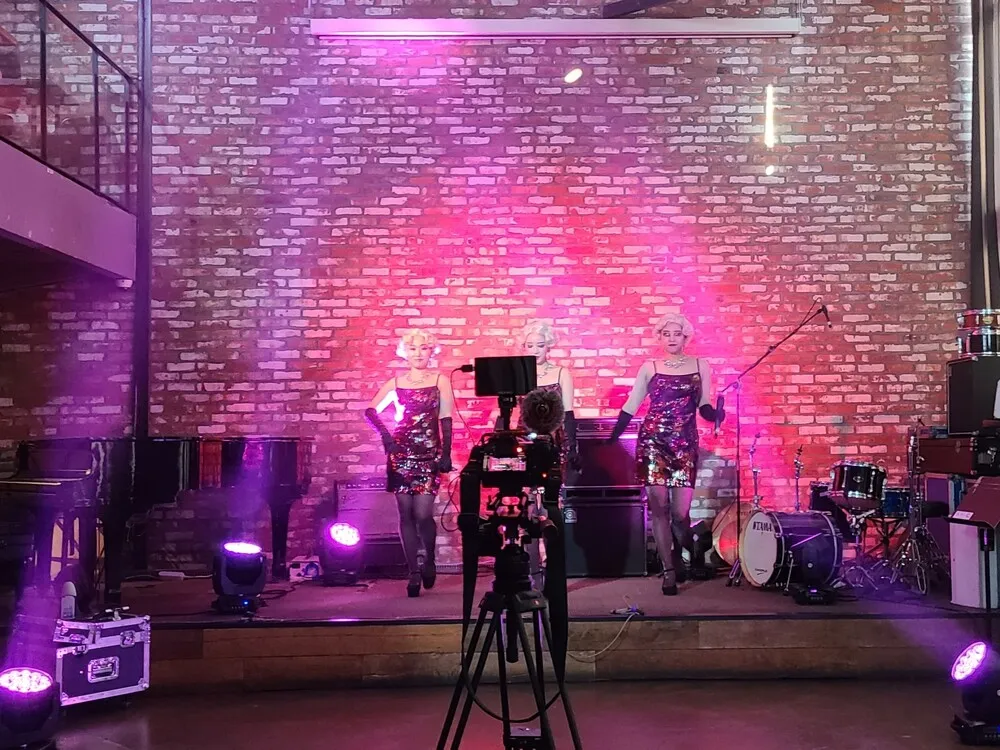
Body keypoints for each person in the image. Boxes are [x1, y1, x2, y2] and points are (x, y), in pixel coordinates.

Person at [605, 313, 724, 595]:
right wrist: (612, 438)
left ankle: (687, 550)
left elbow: (704, 405)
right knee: (658, 509)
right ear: (659, 337)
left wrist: (717, 415)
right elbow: (632, 404)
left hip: (684, 444)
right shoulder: (650, 367)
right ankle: (668, 570)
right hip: (653, 442)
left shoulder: (700, 365)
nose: (671, 339)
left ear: (685, 337)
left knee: (680, 514)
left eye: (677, 334)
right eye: (666, 334)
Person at [365, 329, 455, 597]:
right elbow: (370, 410)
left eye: (423, 348)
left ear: (431, 351)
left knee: (423, 514)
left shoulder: (440, 380)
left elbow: (446, 418)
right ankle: (412, 571)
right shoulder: (396, 383)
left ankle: (429, 559)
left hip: (428, 454)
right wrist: (386, 437)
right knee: (405, 514)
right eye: (413, 349)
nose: (418, 354)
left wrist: (446, 453)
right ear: (405, 352)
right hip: (401, 454)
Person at [514, 321, 579, 586]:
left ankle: (554, 568)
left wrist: (573, 447)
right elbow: (508, 412)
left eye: (539, 345)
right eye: (530, 345)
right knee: (529, 508)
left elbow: (569, 413)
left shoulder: (561, 373)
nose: (535, 350)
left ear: (548, 346)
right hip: (524, 443)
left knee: (552, 506)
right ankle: (534, 572)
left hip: (553, 443)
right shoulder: (519, 374)